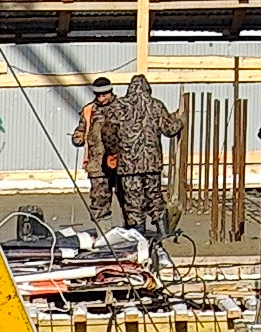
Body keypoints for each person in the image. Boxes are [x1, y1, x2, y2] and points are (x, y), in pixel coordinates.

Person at [116, 69, 181, 252]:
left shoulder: (120, 106)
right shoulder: (155, 105)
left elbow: (110, 131)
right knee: (154, 196)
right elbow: (170, 129)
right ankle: (162, 230)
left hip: (128, 164)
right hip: (151, 163)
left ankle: (138, 236)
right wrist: (180, 120)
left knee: (133, 200)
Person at [74, 76, 123, 228]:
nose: (101, 98)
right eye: (98, 95)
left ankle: (131, 233)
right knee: (99, 201)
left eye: (104, 95)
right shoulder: (89, 110)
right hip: (97, 165)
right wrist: (78, 137)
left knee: (128, 200)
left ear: (110, 92)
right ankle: (104, 233)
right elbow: (81, 129)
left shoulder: (123, 107)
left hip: (121, 163)